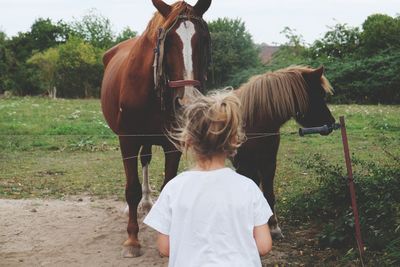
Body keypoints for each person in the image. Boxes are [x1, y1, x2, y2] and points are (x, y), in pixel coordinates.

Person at [143, 91, 273, 267]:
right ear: (234, 140)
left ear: (188, 140)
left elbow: (164, 247)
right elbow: (264, 245)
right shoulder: (248, 188)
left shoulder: (174, 188)